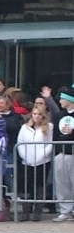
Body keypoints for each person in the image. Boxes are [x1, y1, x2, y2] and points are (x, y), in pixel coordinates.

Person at [15, 97, 54, 219]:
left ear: (43, 116)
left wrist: (41, 156)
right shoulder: (25, 127)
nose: (36, 116)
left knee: (39, 186)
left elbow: (50, 144)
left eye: (39, 114)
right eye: (34, 114)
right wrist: (24, 156)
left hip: (42, 161)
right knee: (26, 186)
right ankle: (26, 211)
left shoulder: (49, 127)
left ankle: (38, 211)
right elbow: (20, 142)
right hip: (27, 161)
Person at [52, 88, 74, 221]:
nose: (60, 101)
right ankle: (65, 211)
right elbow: (55, 134)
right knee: (61, 183)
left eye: (62, 98)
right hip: (62, 153)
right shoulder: (60, 115)